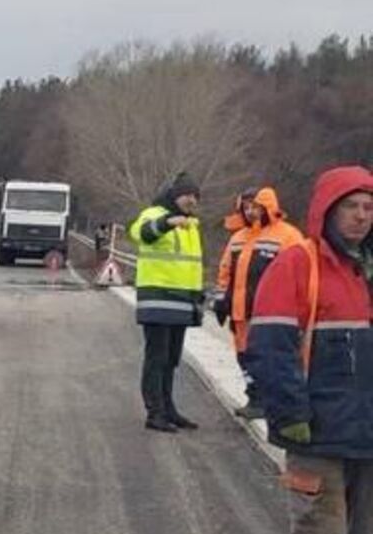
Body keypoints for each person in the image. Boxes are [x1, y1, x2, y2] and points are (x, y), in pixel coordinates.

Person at [249, 165, 373, 534]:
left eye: (369, 208)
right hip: (317, 427)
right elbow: (272, 346)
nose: (361, 217)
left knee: (366, 526)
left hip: (365, 427)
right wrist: (289, 413)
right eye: (351, 207)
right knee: (322, 524)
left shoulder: (366, 268)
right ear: (327, 210)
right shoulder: (298, 265)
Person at [213, 187, 304, 419]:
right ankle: (255, 398)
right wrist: (221, 298)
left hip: (270, 312)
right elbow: (225, 271)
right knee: (245, 357)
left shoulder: (288, 236)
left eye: (255, 206)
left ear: (267, 207)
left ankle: (274, 402)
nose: (251, 212)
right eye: (246, 207)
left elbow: (300, 273)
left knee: (269, 357)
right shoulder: (238, 238)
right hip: (239, 311)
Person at [130, 172, 205, 432]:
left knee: (172, 359)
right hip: (159, 301)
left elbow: (191, 267)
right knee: (157, 357)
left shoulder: (191, 225)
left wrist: (197, 298)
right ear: (175, 195)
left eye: (195, 196)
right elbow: (141, 233)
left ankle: (168, 408)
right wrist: (168, 222)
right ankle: (155, 413)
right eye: (187, 195)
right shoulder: (155, 214)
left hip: (181, 303)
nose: (192, 200)